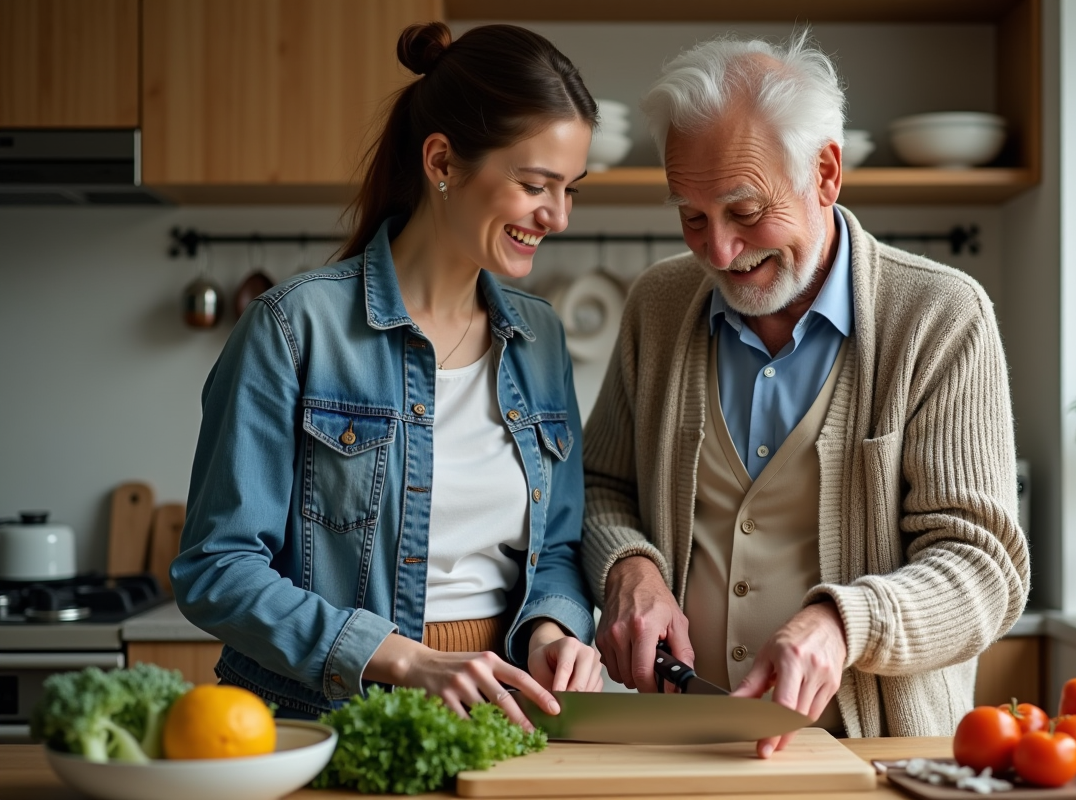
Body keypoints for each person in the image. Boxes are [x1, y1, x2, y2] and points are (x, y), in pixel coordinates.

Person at [582, 32, 1031, 754]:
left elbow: (984, 567)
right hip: (677, 744)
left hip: (876, 754)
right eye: (692, 216)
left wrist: (844, 623)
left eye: (745, 210)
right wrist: (631, 568)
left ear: (825, 172)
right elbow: (602, 485)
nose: (719, 251)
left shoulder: (941, 316)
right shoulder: (657, 307)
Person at [172, 21, 604, 728]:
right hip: (322, 716)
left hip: (504, 716)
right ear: (443, 161)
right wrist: (402, 658)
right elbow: (216, 568)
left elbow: (555, 547)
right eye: (535, 185)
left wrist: (553, 631)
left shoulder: (540, 337)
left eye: (571, 191)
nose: (556, 216)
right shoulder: (293, 327)